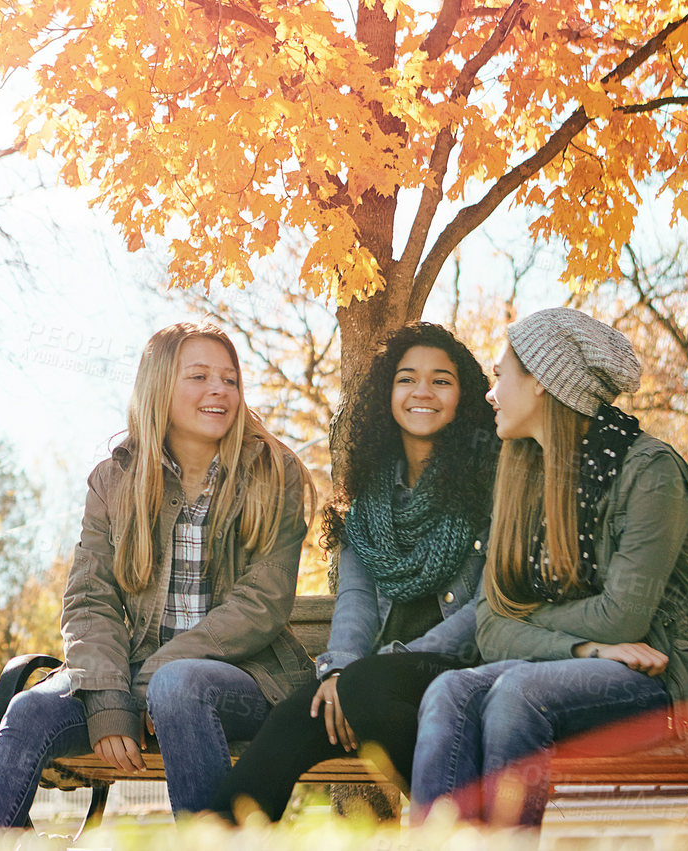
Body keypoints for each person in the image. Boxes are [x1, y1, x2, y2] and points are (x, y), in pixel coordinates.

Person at [0, 321, 313, 837]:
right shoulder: (113, 479)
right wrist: (106, 699)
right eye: (199, 377)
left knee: (178, 683)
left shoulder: (275, 474)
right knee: (29, 709)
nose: (219, 390)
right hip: (130, 682)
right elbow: (90, 598)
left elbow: (264, 601)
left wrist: (156, 671)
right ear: (159, 387)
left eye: (229, 380)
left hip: (246, 682)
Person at [411, 306, 688, 827]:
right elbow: (494, 627)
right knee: (448, 692)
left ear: (542, 382)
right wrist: (585, 647)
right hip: (567, 665)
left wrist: (534, 620)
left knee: (516, 696)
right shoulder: (521, 470)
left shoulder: (651, 473)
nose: (490, 393)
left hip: (663, 677)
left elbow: (624, 619)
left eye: (501, 376)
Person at [213, 321, 499, 821]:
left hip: (457, 672)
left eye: (442, 380)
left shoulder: (490, 489)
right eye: (407, 378)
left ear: (464, 397)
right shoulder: (365, 504)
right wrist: (341, 669)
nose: (422, 392)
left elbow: (486, 608)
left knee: (368, 691)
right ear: (388, 394)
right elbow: (356, 603)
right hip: (370, 688)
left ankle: (465, 828)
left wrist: (375, 670)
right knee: (289, 722)